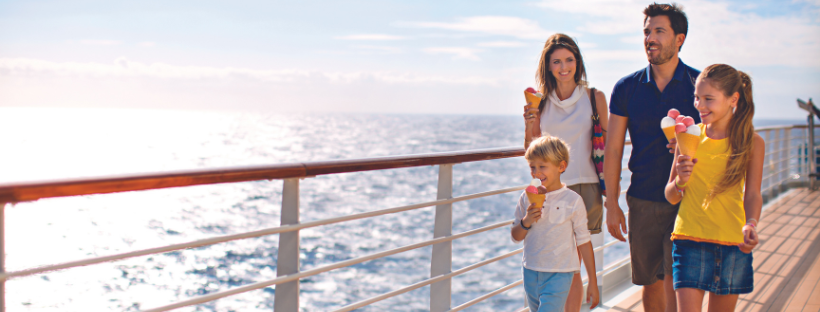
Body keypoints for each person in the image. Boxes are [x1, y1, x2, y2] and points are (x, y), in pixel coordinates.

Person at [604, 3, 700, 311]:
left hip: (689, 199)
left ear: (679, 39)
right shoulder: (626, 88)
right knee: (651, 283)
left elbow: (718, 140)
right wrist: (612, 204)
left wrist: (691, 145)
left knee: (682, 282)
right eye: (647, 31)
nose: (651, 38)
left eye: (659, 31)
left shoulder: (700, 86)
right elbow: (614, 149)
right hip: (643, 199)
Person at [663, 64, 763, 312]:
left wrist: (751, 223)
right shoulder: (688, 136)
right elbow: (671, 196)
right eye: (697, 98)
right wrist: (680, 182)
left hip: (733, 245)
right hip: (689, 241)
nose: (699, 105)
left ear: (733, 99)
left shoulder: (752, 142)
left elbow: (752, 194)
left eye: (709, 99)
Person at [523, 33, 607, 311]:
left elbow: (608, 147)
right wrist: (529, 122)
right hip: (552, 192)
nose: (563, 67)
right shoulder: (541, 102)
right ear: (548, 66)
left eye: (569, 60)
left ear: (578, 62)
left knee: (572, 267)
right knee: (562, 268)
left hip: (585, 189)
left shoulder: (595, 98)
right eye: (556, 61)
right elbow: (532, 151)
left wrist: (614, 194)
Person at [511, 136, 599, 311]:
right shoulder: (526, 198)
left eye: (542, 166)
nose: (536, 172)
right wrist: (526, 221)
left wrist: (593, 282)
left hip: (560, 274)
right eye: (532, 167)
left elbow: (583, 241)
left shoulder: (573, 200)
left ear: (561, 167)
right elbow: (515, 236)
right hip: (530, 271)